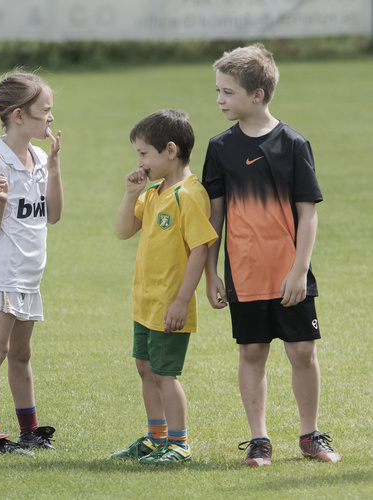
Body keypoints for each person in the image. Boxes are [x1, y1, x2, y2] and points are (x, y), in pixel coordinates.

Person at [203, 43, 340, 466]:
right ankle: (259, 439)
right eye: (219, 91)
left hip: (289, 273)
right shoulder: (219, 147)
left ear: (257, 95)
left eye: (227, 92)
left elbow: (308, 214)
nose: (220, 100)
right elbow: (214, 220)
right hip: (244, 275)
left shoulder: (294, 144)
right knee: (252, 352)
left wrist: (299, 270)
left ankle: (310, 434)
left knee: (302, 352)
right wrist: (211, 273)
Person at [110, 110, 217, 465]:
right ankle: (156, 438)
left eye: (143, 153)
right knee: (145, 367)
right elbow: (124, 230)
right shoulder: (155, 191)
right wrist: (130, 193)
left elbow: (200, 249)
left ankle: (179, 443)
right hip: (146, 303)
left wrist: (182, 301)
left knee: (164, 373)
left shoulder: (189, 194)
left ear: (170, 150)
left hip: (171, 304)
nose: (139, 161)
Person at [0, 71, 62, 455]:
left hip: (29, 274)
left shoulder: (40, 157)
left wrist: (55, 168)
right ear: (20, 115)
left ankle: (29, 429)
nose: (51, 118)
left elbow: (53, 215)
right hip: (2, 272)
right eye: (46, 111)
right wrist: (1, 202)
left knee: (22, 354)